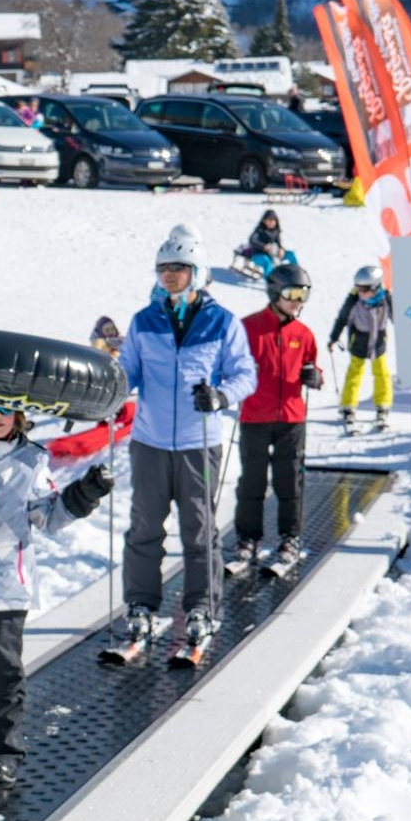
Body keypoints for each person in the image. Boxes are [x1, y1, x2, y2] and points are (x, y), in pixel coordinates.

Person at [0, 398, 113, 783]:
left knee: (3, 673)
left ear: (19, 415)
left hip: (8, 587)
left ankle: (0, 753)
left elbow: (49, 516)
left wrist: (85, 492)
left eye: (4, 411)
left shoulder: (31, 461)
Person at [117, 227, 257, 650]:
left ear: (196, 273)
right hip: (150, 442)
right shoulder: (144, 320)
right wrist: (108, 384)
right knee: (144, 527)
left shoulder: (222, 322)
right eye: (163, 269)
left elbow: (245, 374)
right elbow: (128, 373)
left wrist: (220, 396)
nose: (169, 275)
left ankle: (202, 606)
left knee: (199, 530)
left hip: (199, 443)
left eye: (178, 268)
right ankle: (141, 605)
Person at [233, 263, 324, 571]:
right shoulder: (248, 328)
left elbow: (313, 367)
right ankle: (248, 537)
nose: (299, 301)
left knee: (290, 481)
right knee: (252, 482)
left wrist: (314, 376)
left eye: (304, 294)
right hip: (255, 416)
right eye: (293, 293)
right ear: (274, 292)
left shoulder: (304, 334)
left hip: (291, 418)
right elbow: (229, 366)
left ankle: (290, 537)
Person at [329, 264, 395, 432]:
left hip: (378, 341)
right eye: (358, 288)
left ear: (376, 287)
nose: (360, 293)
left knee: (382, 373)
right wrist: (333, 337)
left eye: (364, 289)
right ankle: (348, 406)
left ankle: (383, 406)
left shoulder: (386, 299)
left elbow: (397, 317)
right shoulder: (353, 300)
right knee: (355, 374)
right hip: (358, 340)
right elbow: (342, 319)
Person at [243, 209, 288, 275]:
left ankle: (295, 274)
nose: (271, 222)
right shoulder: (259, 230)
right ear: (264, 221)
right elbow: (252, 240)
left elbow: (278, 242)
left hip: (270, 254)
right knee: (267, 262)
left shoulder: (276, 230)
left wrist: (281, 248)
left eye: (273, 220)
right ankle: (270, 282)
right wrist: (263, 246)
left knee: (290, 255)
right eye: (269, 220)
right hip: (257, 254)